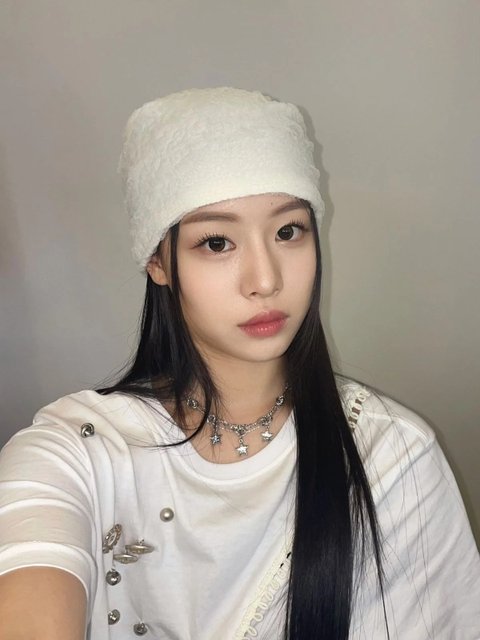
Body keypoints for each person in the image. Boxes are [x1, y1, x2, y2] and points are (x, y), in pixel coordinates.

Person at [0, 87, 479, 640]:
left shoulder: (391, 454)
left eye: (288, 231)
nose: (265, 279)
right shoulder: (80, 450)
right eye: (217, 243)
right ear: (157, 262)